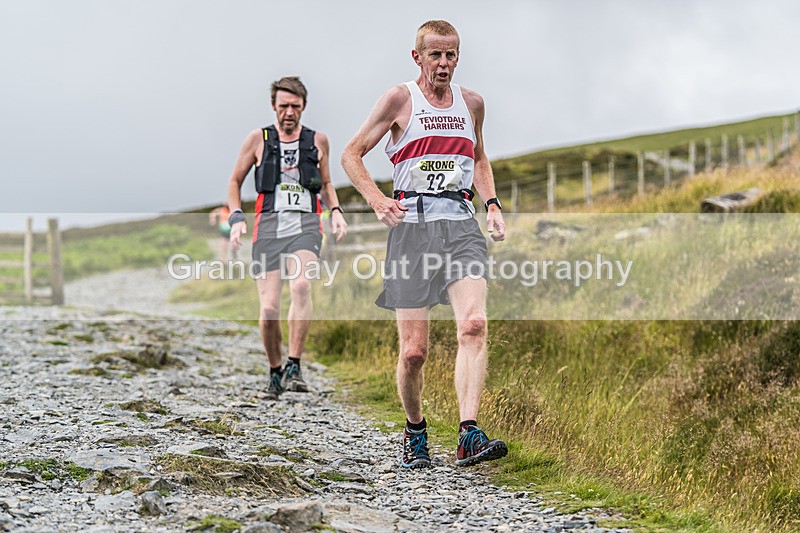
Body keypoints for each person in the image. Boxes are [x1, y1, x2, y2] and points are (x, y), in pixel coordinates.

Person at [341, 20, 508, 468]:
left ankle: (468, 433)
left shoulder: (472, 104)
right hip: (412, 231)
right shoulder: (399, 100)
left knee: (474, 324)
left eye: (451, 55)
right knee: (414, 352)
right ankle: (415, 431)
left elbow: (478, 157)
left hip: (460, 227)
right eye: (435, 54)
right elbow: (351, 153)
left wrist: (492, 203)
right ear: (417, 57)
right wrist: (377, 200)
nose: (444, 63)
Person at [227, 76, 347, 399]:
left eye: (295, 106)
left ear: (304, 106)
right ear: (273, 106)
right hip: (268, 230)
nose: (289, 112)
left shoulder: (318, 140)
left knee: (301, 285)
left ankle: (294, 365)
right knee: (269, 310)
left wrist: (336, 211)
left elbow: (327, 184)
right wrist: (236, 216)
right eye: (283, 106)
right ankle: (275, 371)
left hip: (306, 226)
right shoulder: (258, 139)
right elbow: (235, 182)